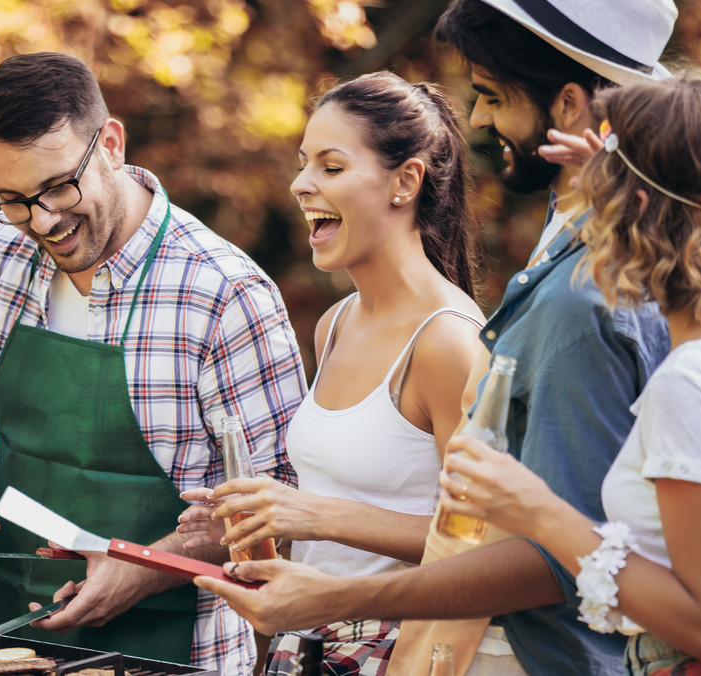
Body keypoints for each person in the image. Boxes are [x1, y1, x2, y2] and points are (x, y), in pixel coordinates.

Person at [193, 1, 677, 674]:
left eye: (490, 95)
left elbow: (531, 548)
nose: (478, 118)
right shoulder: (557, 256)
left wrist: (324, 542)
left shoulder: (564, 303)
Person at [0, 52, 307, 673]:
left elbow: (276, 505)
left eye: (59, 186)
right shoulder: (0, 253)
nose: (42, 221)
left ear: (111, 143)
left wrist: (142, 569)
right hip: (16, 639)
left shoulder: (224, 293)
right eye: (12, 199)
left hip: (176, 653)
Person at [440, 72, 701, 675]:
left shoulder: (693, 383)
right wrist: (632, 180)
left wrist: (537, 510)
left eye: (594, 193)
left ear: (630, 209)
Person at [175, 71, 488, 676]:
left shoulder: (449, 342)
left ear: (406, 181)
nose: (300, 184)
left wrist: (310, 512)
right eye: (303, 164)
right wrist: (256, 521)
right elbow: (338, 513)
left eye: (331, 167)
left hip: (400, 653)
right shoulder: (335, 323)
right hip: (308, 647)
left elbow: (481, 546)